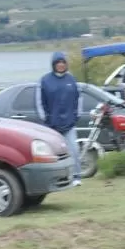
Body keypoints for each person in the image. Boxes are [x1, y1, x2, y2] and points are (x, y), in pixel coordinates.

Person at [35, 51, 82, 186]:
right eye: (58, 63)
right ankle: (54, 178)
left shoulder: (71, 80)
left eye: (63, 63)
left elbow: (79, 99)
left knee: (74, 150)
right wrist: (45, 118)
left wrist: (76, 116)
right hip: (52, 125)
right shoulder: (44, 81)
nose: (61, 65)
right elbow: (40, 101)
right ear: (54, 65)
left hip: (69, 123)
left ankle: (76, 176)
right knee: (53, 153)